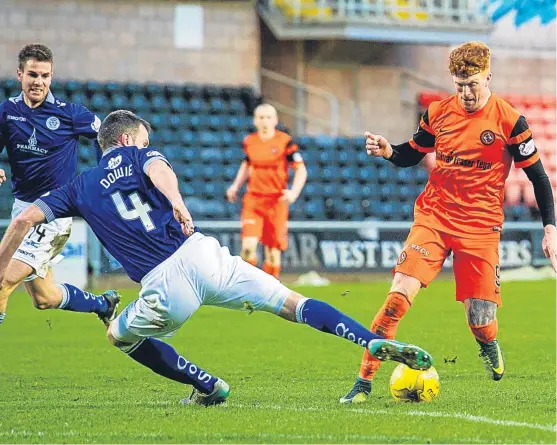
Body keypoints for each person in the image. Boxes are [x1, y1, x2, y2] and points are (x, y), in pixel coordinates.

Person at [0, 110, 434, 406]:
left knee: (119, 335)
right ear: (128, 139)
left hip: (164, 286)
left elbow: (23, 223)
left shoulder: (78, 187)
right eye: (144, 140)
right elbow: (158, 170)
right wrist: (178, 202)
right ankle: (369, 340)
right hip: (204, 254)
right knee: (291, 302)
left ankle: (206, 385)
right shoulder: (138, 154)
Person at [340, 41, 557, 404]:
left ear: (488, 76)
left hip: (481, 227)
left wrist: (550, 228)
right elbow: (413, 153)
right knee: (396, 298)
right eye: (459, 85)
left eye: (472, 84)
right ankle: (362, 382)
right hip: (434, 218)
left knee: (480, 319)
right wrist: (389, 150)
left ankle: (488, 343)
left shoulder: (509, 121)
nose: (467, 93)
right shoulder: (438, 112)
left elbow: (538, 178)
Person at [0, 43, 119, 325]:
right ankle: (104, 304)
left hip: (53, 213)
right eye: (32, 75)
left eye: (44, 76)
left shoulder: (70, 114)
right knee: (44, 298)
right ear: (20, 75)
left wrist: (106, 173)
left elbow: (105, 136)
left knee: (2, 280)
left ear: (51, 77)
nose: (38, 82)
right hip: (22, 211)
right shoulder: (6, 112)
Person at [226, 104, 307, 279]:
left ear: (275, 120)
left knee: (273, 254)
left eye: (268, 117)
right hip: (253, 200)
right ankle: (247, 288)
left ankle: (269, 291)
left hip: (276, 202)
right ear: (255, 121)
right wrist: (235, 186)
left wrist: (293, 192)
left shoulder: (285, 141)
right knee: (247, 248)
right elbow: (247, 164)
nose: (265, 121)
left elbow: (301, 169)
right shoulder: (250, 141)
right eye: (261, 117)